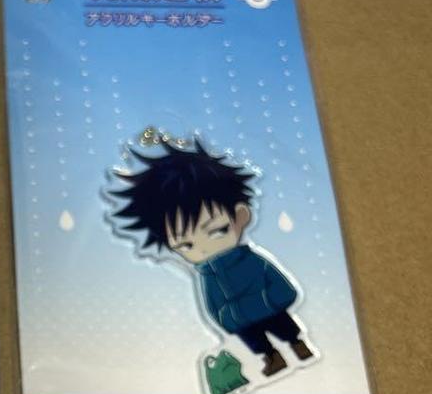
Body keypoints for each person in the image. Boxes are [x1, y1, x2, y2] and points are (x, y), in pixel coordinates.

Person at [109, 138, 315, 377]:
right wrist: (227, 321)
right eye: (186, 245)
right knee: (254, 339)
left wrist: (274, 300)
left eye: (217, 230)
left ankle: (298, 345)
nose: (204, 249)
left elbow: (276, 280)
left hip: (270, 308)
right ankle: (272, 357)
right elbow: (213, 304)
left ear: (240, 216)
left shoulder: (249, 260)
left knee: (284, 326)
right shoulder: (207, 275)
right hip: (242, 320)